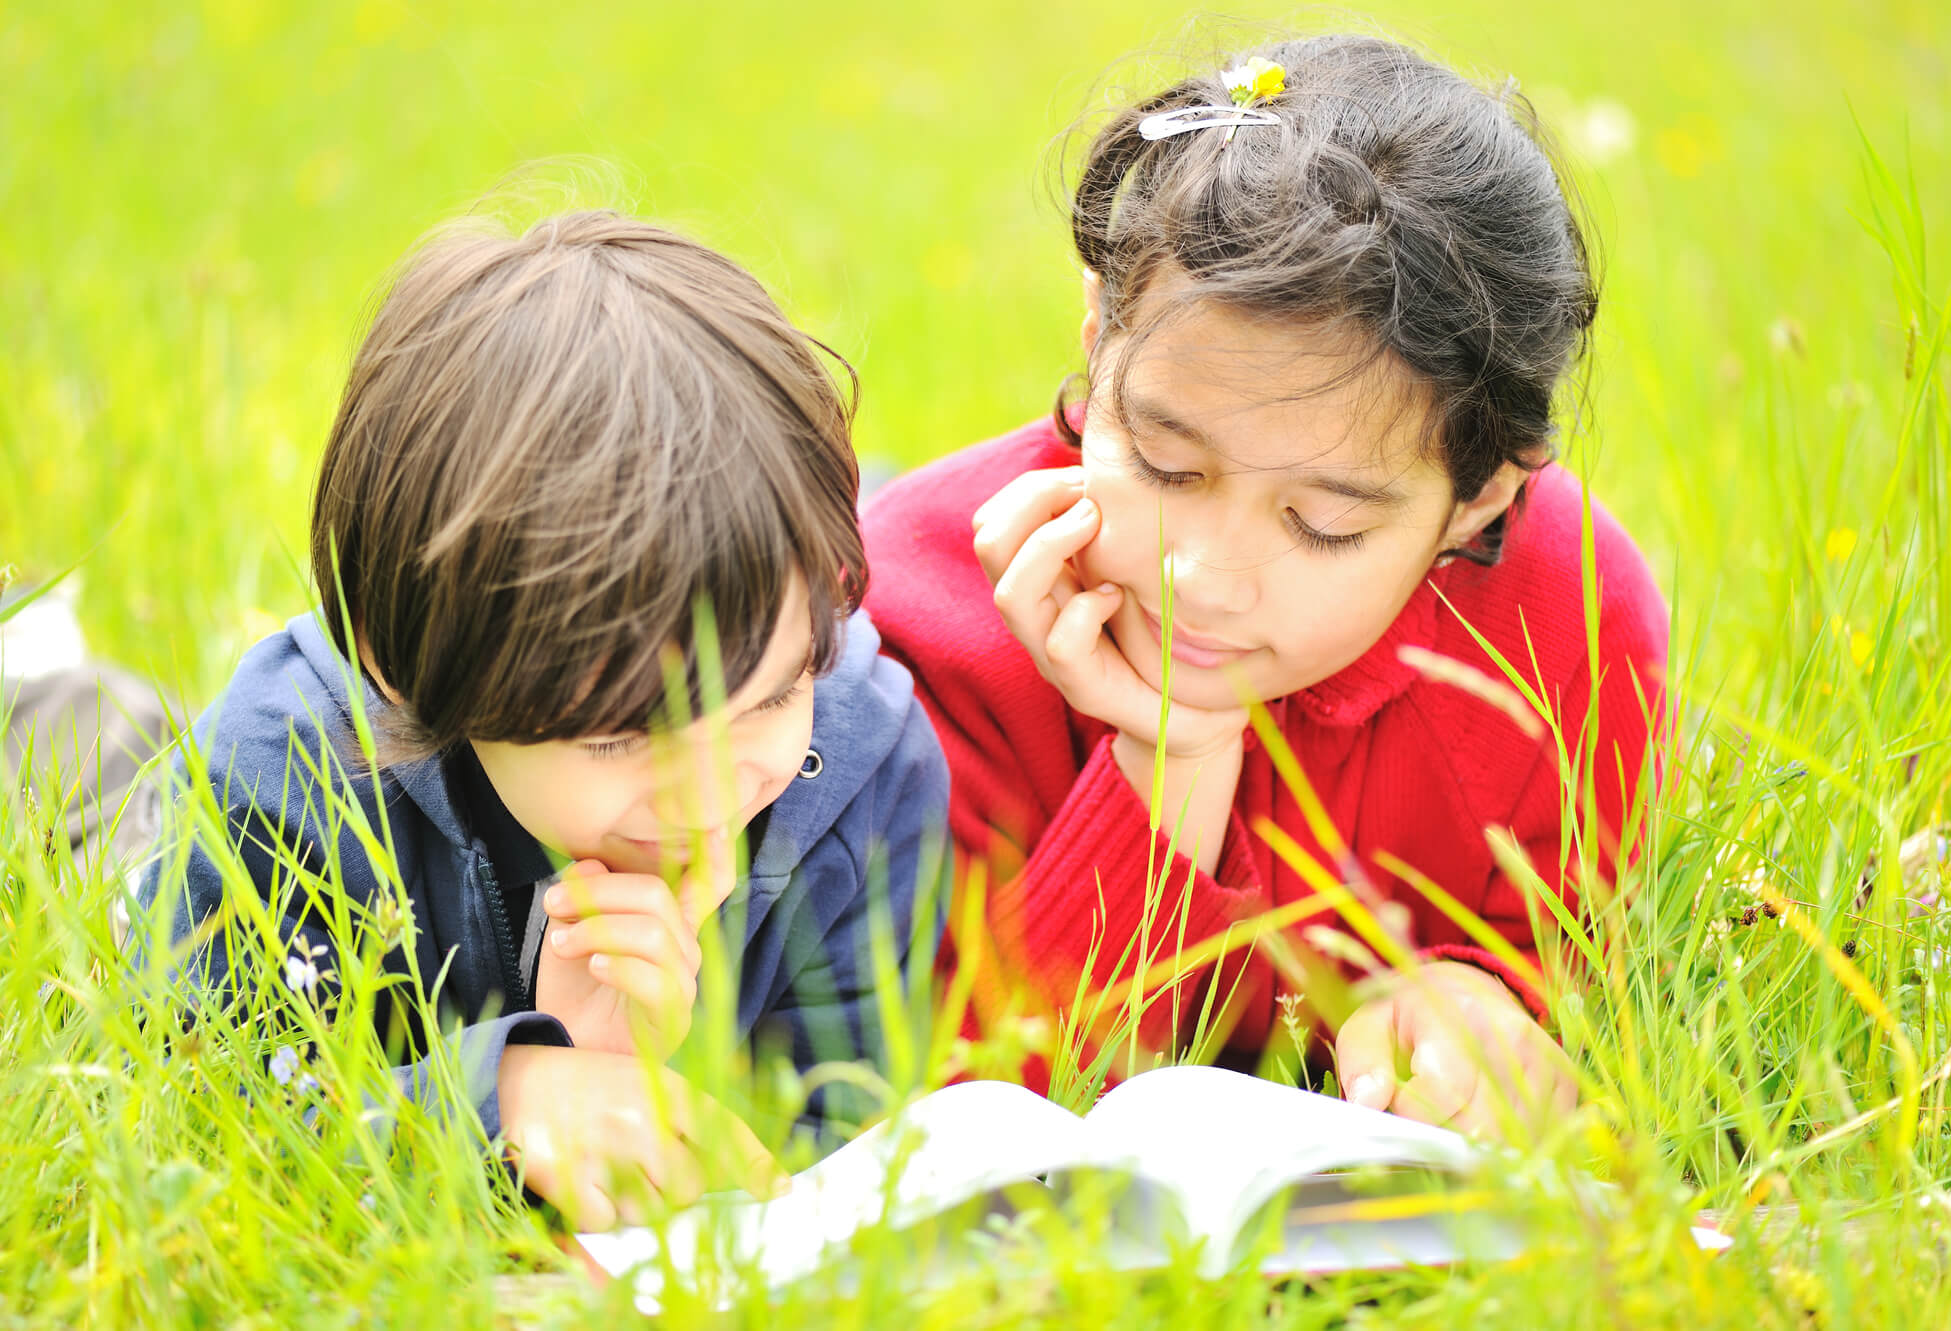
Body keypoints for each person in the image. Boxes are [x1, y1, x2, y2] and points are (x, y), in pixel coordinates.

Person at [863, 35, 1668, 1137]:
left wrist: (1485, 998)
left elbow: (1562, 959)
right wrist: (1171, 757)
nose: (1198, 578)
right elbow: (955, 1105)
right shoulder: (913, 621)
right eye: (1161, 461)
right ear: (1097, 333)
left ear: (1477, 501)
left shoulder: (1563, 624)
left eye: (1321, 522)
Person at [137, 211, 950, 1227]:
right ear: (400, 665)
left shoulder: (859, 773)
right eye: (618, 735)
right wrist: (502, 1093)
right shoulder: (287, 775)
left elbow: (842, 1143)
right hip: (162, 809)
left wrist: (660, 1063)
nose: (709, 788)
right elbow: (196, 1115)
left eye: (773, 694)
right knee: (99, 780)